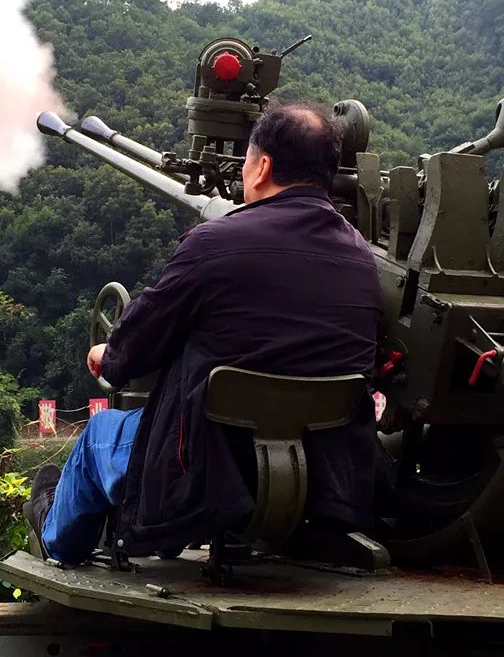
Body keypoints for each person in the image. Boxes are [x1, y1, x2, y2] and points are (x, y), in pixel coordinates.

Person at [30, 101, 382, 565]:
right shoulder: (363, 260)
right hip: (321, 478)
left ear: (262, 167)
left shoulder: (214, 244)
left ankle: (54, 534)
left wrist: (107, 353)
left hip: (204, 472)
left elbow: (133, 349)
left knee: (100, 433)